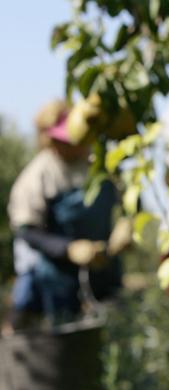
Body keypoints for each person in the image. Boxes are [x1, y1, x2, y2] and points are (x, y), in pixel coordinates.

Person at [5, 99, 130, 331]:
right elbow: (26, 231)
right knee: (65, 337)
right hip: (58, 276)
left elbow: (130, 199)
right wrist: (68, 249)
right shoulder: (39, 175)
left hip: (104, 268)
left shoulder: (99, 164)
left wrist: (127, 222)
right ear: (50, 139)